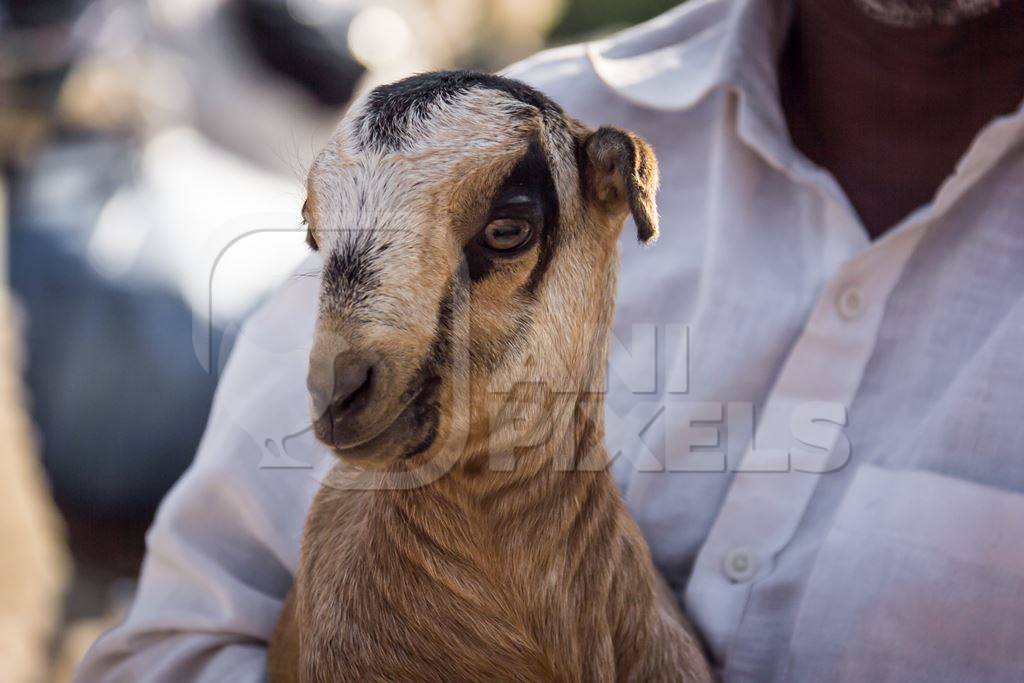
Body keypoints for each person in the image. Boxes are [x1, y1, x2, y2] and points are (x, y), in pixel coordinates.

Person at [76, 0, 1024, 680]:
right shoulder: (479, 130)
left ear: (622, 196)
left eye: (501, 237)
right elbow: (168, 646)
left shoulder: (551, 165)